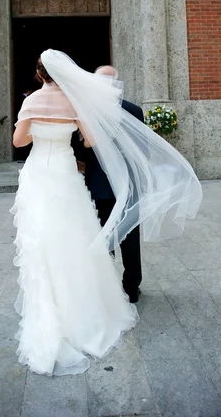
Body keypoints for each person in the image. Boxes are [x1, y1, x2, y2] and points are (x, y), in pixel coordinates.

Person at [11, 49, 202, 376]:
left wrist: (34, 129)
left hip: (38, 175)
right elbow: (89, 140)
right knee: (78, 235)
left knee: (41, 238)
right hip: (64, 172)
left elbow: (18, 141)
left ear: (38, 74)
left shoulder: (30, 102)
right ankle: (92, 300)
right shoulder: (74, 103)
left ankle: (48, 306)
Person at [74, 65, 143, 303]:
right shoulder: (134, 110)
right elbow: (142, 150)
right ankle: (132, 288)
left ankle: (108, 289)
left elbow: (79, 150)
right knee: (130, 236)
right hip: (129, 184)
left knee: (105, 236)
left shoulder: (87, 112)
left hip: (101, 184)